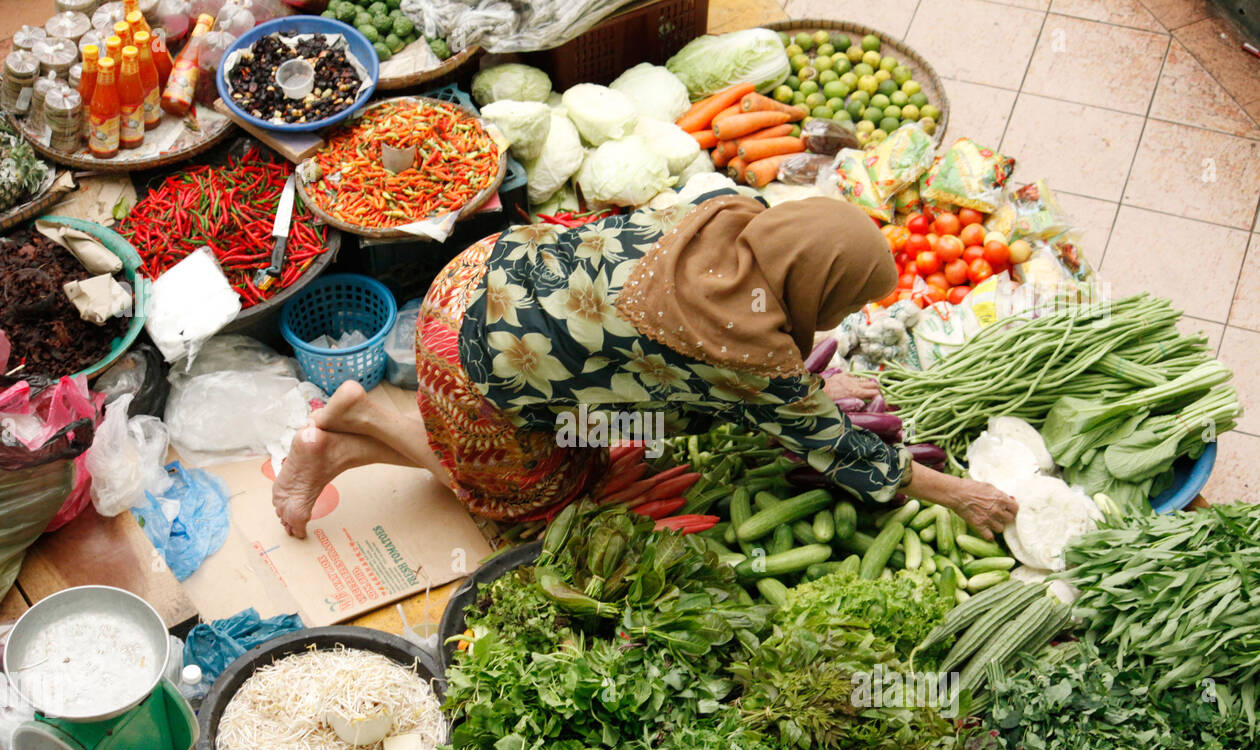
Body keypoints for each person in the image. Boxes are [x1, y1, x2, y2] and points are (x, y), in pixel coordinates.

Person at [273, 189, 1018, 539]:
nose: (843, 316)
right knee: (532, 506)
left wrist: (807, 385)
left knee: (626, 431)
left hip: (476, 278)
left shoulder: (729, 214)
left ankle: (350, 420)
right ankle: (351, 434)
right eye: (845, 301)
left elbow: (727, 355)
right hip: (476, 369)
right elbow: (845, 454)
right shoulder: (751, 357)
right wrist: (960, 495)